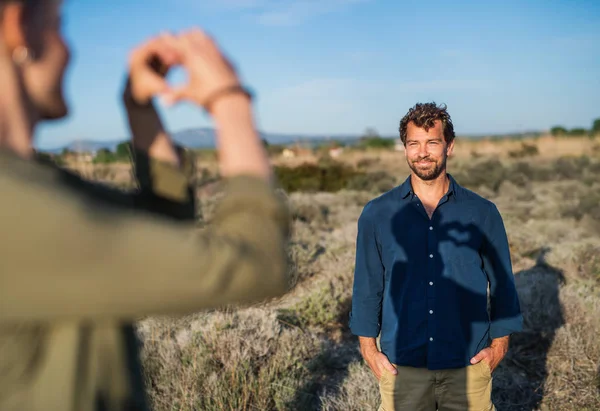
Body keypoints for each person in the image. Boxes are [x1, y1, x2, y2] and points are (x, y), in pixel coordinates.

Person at [0, 1, 291, 410]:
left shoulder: (29, 188)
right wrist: (230, 100)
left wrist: (139, 108)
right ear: (18, 28)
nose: (69, 50)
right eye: (59, 27)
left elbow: (163, 227)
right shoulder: (13, 209)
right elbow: (256, 265)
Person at [349, 102, 523, 410]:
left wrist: (498, 348)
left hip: (468, 366)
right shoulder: (377, 213)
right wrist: (369, 351)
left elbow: (503, 285)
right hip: (402, 366)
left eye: (432, 142)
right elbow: (367, 285)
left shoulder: (482, 212)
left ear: (449, 146)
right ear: (404, 148)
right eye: (414, 143)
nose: (422, 152)